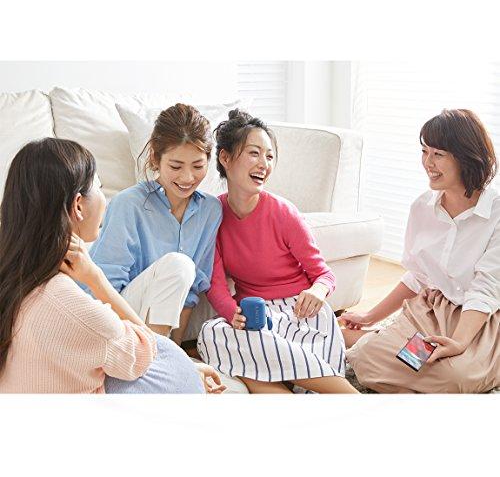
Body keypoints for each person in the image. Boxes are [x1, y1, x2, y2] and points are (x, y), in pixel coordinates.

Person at [0, 138, 223, 394]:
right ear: (78, 205)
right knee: (183, 381)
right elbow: (150, 353)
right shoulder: (76, 310)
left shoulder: (18, 280)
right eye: (100, 187)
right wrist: (96, 279)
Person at [197, 109, 358, 394]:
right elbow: (216, 285)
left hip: (300, 314)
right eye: (254, 153)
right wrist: (232, 314)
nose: (264, 164)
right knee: (209, 334)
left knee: (251, 360)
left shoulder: (283, 212)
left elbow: (323, 275)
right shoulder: (213, 215)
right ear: (225, 158)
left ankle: (346, 394)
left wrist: (317, 292)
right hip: (257, 319)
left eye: (269, 156)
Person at [343, 109, 500, 393]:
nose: (428, 162)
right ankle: (380, 339)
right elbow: (418, 276)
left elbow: (487, 288)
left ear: (466, 157)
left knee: (457, 376)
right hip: (433, 311)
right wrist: (369, 316)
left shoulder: (496, 211)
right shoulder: (422, 208)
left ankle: (392, 347)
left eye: (438, 154)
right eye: (424, 151)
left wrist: (459, 342)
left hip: (482, 317)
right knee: (365, 359)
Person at [89, 103, 222, 344]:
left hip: (156, 336)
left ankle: (164, 357)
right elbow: (103, 291)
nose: (187, 177)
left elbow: (190, 292)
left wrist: (176, 350)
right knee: (179, 264)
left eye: (198, 166)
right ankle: (155, 358)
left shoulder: (210, 211)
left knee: (183, 269)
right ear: (155, 159)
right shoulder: (128, 204)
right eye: (175, 166)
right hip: (112, 320)